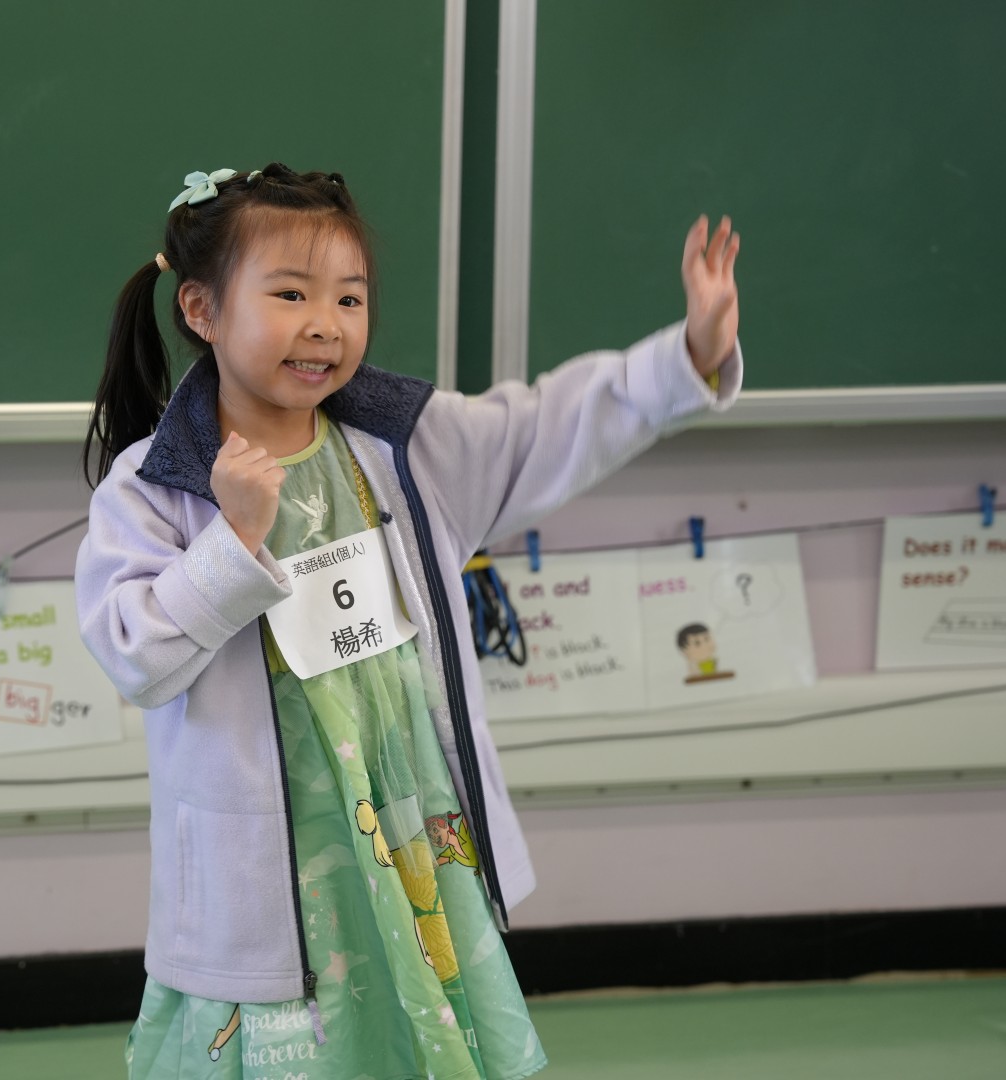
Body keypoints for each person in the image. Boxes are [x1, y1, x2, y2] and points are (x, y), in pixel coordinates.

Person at [76, 162, 742, 1078]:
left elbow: (543, 425)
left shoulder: (404, 443)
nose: (326, 323)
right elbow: (135, 657)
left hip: (411, 833)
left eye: (349, 298)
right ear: (202, 310)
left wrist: (687, 356)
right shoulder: (154, 485)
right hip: (277, 875)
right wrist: (232, 540)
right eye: (290, 294)